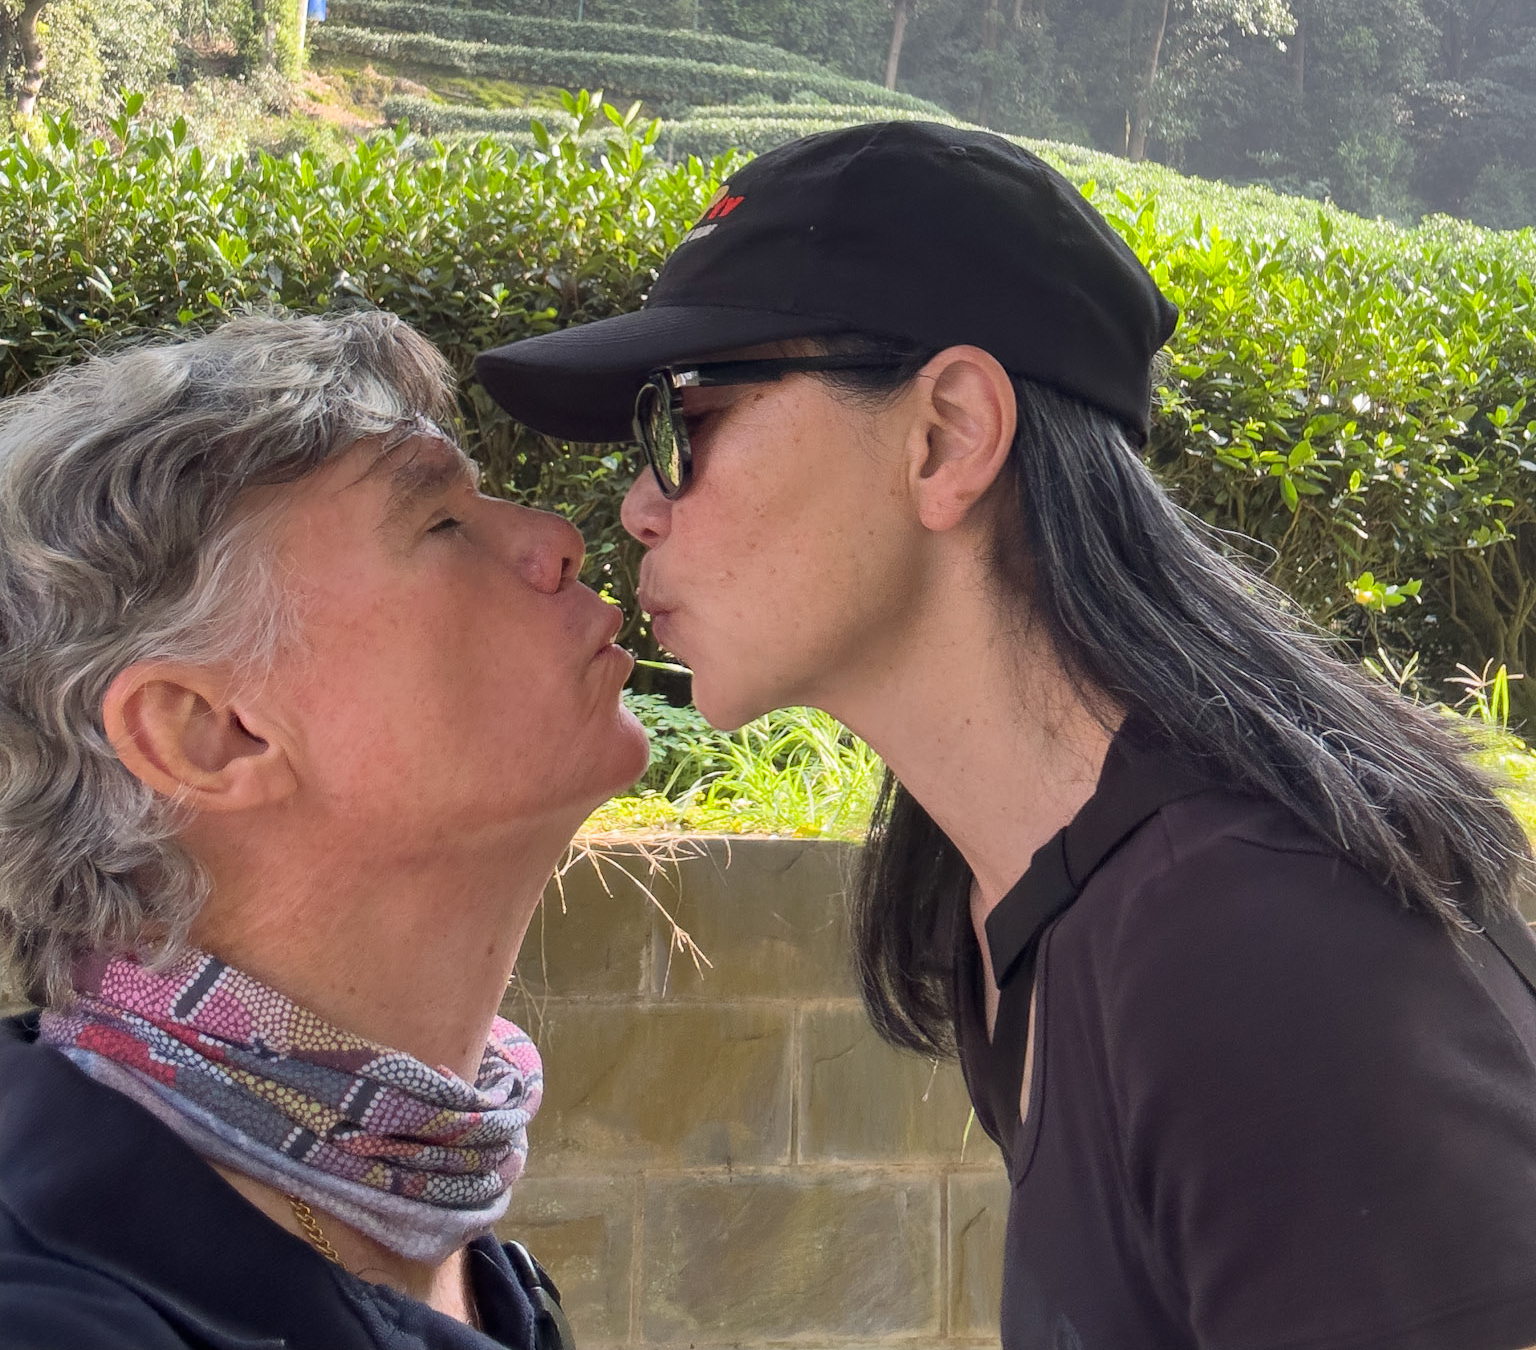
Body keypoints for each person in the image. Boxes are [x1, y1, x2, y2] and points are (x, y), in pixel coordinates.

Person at [477, 120, 1536, 1350]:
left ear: (949, 433)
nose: (635, 505)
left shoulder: (1267, 943)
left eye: (684, 418)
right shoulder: (1005, 899)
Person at [0, 310, 648, 1349]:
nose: (556, 538)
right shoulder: (49, 1316)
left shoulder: (440, 1231)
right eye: (440, 522)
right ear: (209, 732)